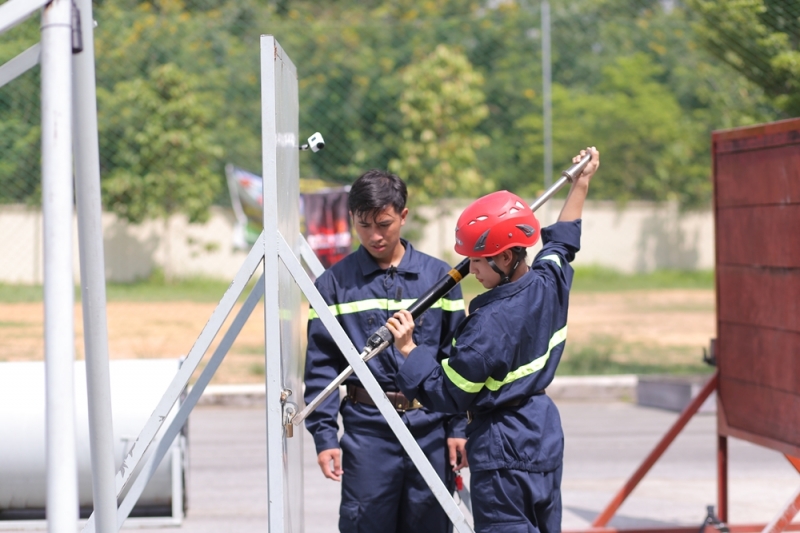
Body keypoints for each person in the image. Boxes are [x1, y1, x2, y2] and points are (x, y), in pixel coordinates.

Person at [386, 148, 600, 533]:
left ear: (505, 258)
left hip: (502, 449)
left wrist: (408, 349)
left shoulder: (487, 325)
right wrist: (581, 182)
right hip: (542, 431)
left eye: (478, 261)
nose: (472, 270)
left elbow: (449, 393)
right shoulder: (548, 281)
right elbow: (562, 242)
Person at [303, 169, 468, 533]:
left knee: (432, 523)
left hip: (430, 431)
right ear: (352, 220)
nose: (375, 236)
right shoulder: (331, 285)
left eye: (384, 224)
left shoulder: (441, 280)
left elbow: (457, 359)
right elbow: (322, 367)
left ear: (403, 216)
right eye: (364, 226)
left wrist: (458, 427)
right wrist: (325, 436)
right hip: (367, 436)